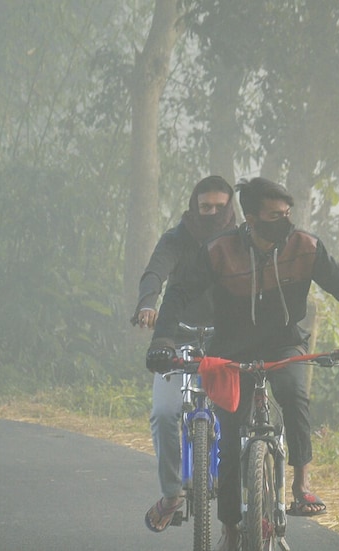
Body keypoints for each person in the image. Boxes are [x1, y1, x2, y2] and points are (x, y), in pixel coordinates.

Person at [146, 177, 339, 551]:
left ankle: (301, 486)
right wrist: (163, 340)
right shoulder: (218, 250)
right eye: (274, 216)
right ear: (250, 218)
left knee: (293, 393)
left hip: (284, 345)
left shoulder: (306, 246)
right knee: (231, 437)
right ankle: (231, 528)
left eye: (287, 214)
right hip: (231, 352)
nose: (284, 222)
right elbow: (180, 292)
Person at [134, 175, 237, 533]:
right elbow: (154, 273)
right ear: (193, 207)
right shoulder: (177, 239)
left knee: (239, 418)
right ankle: (171, 494)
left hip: (227, 342)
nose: (210, 214)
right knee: (164, 413)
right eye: (204, 207)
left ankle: (240, 502)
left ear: (230, 210)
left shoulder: (240, 241)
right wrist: (148, 303)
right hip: (176, 339)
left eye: (218, 208)